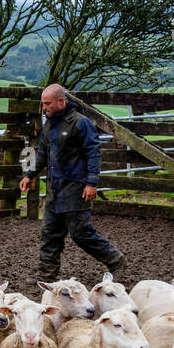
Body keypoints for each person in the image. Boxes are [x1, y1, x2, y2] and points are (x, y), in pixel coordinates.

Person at [20, 83, 125, 284]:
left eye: (47, 103)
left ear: (61, 101)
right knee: (50, 233)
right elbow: (42, 153)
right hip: (54, 188)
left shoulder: (81, 123)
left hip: (76, 188)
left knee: (81, 233)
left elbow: (94, 153)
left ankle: (115, 260)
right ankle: (47, 277)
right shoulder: (49, 124)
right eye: (43, 104)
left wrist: (92, 183)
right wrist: (29, 175)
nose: (44, 108)